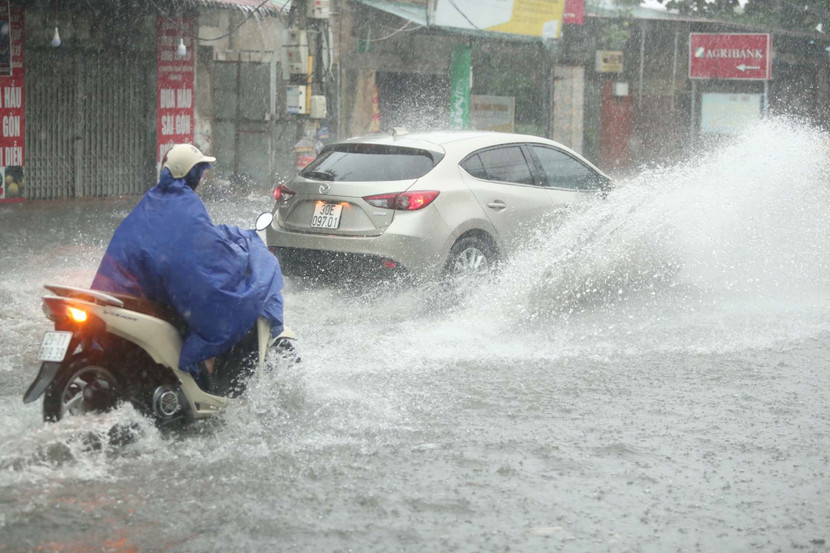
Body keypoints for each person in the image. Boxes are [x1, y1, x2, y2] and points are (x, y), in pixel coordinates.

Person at [91, 144, 284, 391]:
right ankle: (209, 380)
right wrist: (238, 260)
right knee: (224, 310)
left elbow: (180, 244)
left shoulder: (152, 200)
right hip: (146, 299)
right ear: (191, 174)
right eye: (200, 173)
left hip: (123, 295)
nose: (202, 179)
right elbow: (202, 256)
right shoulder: (186, 205)